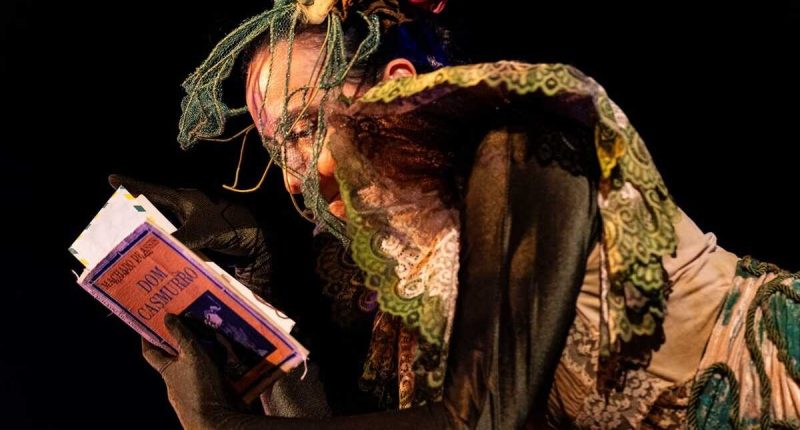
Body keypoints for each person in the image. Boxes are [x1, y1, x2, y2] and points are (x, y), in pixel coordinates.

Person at [124, 1, 800, 428]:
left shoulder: (519, 143)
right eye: (280, 150)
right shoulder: (418, 288)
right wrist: (253, 307)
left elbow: (482, 417)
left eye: (304, 127)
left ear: (393, 86)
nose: (296, 173)